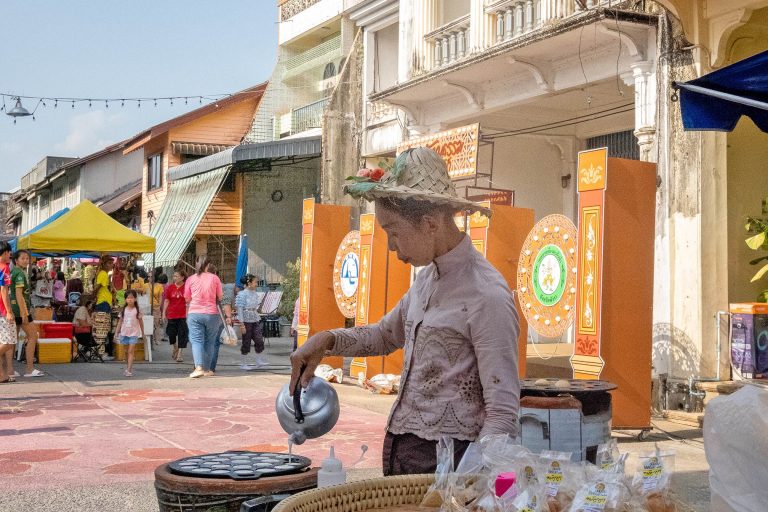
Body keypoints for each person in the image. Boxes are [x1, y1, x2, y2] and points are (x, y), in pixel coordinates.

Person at [290, 147, 521, 476]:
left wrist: (465, 486)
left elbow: (502, 412)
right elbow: (384, 336)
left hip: (448, 465)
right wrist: (326, 340)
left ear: (429, 224)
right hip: (405, 454)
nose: (391, 247)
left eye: (393, 232)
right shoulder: (428, 280)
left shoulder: (486, 295)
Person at [185, 256, 231, 378]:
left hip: (195, 313)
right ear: (208, 265)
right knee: (210, 342)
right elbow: (220, 297)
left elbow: (187, 298)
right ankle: (207, 369)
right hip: (212, 314)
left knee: (197, 341)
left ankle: (198, 367)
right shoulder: (215, 278)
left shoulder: (190, 279)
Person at [10, 250, 44, 378]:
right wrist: (25, 312)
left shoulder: (15, 271)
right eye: (22, 258)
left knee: (12, 340)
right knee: (33, 336)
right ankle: (29, 369)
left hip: (15, 310)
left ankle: (10, 370)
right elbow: (19, 294)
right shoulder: (19, 273)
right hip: (20, 310)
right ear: (16, 260)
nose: (25, 260)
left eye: (27, 258)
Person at [235, 274, 267, 370]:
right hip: (246, 320)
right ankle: (243, 363)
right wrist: (241, 324)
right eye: (255, 282)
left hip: (255, 318)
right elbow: (239, 309)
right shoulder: (242, 294)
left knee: (259, 339)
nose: (256, 284)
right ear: (249, 283)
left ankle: (258, 360)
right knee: (246, 341)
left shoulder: (255, 294)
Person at [114, 290, 144, 377]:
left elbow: (141, 322)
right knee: (127, 351)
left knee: (131, 351)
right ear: (125, 299)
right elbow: (120, 322)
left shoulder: (137, 310)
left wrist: (143, 333)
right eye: (128, 298)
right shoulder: (123, 310)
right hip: (124, 333)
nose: (129, 300)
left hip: (134, 334)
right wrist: (116, 332)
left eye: (131, 298)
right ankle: (128, 367)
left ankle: (129, 370)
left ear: (135, 299)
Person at [92, 256, 115, 360]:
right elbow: (97, 287)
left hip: (104, 302)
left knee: (102, 328)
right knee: (102, 328)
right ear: (104, 264)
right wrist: (93, 296)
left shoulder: (104, 274)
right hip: (103, 302)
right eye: (109, 263)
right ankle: (100, 353)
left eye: (112, 263)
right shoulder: (103, 274)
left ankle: (100, 352)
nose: (111, 265)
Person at [163, 270, 188, 363]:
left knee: (182, 334)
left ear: (182, 277)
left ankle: (180, 354)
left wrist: (189, 314)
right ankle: (175, 347)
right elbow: (166, 301)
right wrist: (163, 314)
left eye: (177, 276)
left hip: (183, 315)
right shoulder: (170, 287)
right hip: (172, 314)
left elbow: (189, 301)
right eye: (174, 276)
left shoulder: (186, 287)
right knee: (171, 333)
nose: (175, 278)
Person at [0, 242, 17, 383]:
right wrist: (9, 311)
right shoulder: (5, 268)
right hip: (2, 311)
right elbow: (4, 291)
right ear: (5, 252)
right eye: (9, 253)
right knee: (10, 342)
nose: (10, 256)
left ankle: (2, 375)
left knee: (2, 342)